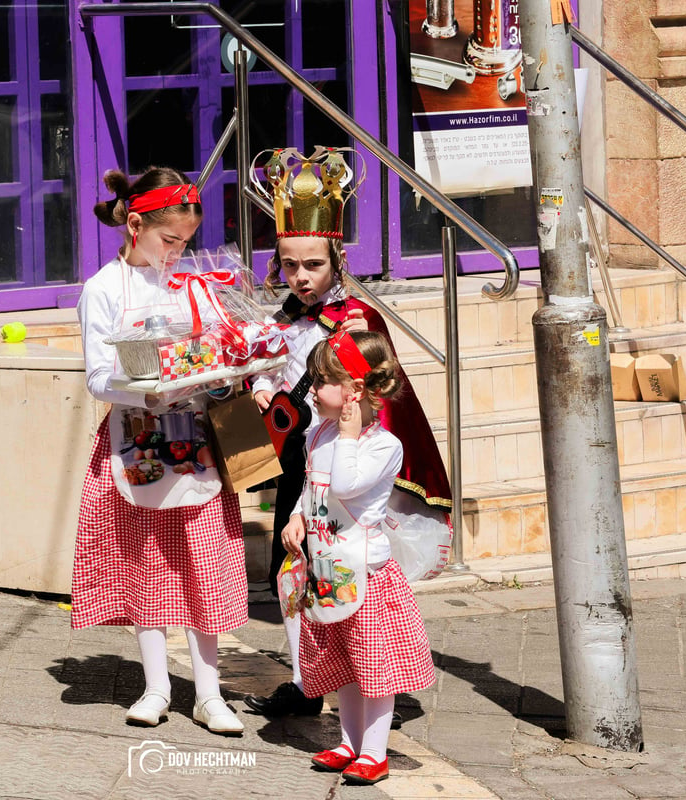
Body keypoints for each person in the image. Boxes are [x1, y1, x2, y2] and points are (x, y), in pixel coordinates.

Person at [244, 146, 452, 719]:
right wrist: (256, 384)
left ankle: (370, 678)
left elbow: (381, 397)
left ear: (335, 256)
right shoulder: (279, 321)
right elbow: (270, 372)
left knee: (353, 580)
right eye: (290, 265)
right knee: (291, 571)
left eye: (312, 264)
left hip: (354, 476)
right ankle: (309, 680)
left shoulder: (357, 320)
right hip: (297, 467)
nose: (301, 276)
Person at [71, 166, 248, 735]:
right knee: (145, 561)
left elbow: (225, 351)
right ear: (135, 224)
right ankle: (155, 687)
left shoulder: (197, 284)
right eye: (168, 240)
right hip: (137, 440)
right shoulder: (101, 288)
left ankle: (210, 693)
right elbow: (98, 377)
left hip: (197, 438)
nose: (177, 252)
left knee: (204, 562)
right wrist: (148, 387)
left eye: (186, 243)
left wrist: (225, 374)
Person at [282, 331, 436, 785]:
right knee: (345, 663)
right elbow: (315, 487)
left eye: (325, 379)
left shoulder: (383, 446)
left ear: (355, 391)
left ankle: (374, 751)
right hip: (328, 567)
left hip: (365, 572)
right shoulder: (320, 433)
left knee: (373, 665)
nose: (313, 387)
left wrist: (349, 435)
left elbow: (346, 486)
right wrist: (294, 517)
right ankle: (349, 742)